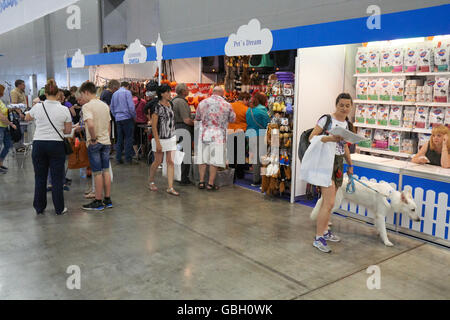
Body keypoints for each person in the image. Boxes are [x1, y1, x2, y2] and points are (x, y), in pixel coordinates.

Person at [307, 93, 354, 253]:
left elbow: (345, 145)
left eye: (347, 105)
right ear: (336, 104)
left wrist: (350, 164)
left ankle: (325, 231)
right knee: (328, 203)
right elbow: (312, 137)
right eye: (341, 105)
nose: (344, 108)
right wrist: (329, 139)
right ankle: (318, 237)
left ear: (351, 107)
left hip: (338, 163)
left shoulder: (347, 123)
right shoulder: (326, 119)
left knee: (331, 203)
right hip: (325, 162)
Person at [25, 79, 72, 215]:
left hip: (39, 144)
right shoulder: (64, 109)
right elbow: (68, 131)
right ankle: (59, 208)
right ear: (58, 94)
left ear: (44, 93)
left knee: (40, 177)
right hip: (56, 144)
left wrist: (35, 106)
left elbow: (27, 118)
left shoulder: (38, 107)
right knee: (57, 178)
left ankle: (39, 208)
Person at [79, 81, 113, 211]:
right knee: (106, 171)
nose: (82, 97)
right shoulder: (104, 105)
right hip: (106, 141)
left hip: (95, 142)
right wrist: (107, 137)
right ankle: (107, 199)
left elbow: (91, 125)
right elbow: (109, 124)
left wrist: (93, 138)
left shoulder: (87, 107)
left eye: (82, 94)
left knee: (97, 172)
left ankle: (98, 200)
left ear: (87, 92)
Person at [195, 86, 236, 191]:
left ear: (212, 92)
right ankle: (210, 184)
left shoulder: (202, 103)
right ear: (222, 93)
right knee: (214, 160)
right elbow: (232, 119)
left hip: (204, 134)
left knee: (203, 159)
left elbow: (197, 117)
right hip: (219, 135)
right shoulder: (227, 105)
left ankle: (201, 182)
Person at [147, 84, 179, 196]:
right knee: (158, 161)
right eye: (167, 92)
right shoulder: (157, 107)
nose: (170, 94)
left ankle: (170, 187)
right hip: (160, 138)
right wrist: (157, 142)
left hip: (171, 137)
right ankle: (151, 180)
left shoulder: (171, 104)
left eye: (169, 91)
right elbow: (154, 126)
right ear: (162, 94)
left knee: (170, 161)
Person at [245, 92, 270, 186]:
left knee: (254, 158)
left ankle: (256, 179)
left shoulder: (249, 110)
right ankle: (263, 180)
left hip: (250, 134)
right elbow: (267, 123)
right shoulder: (262, 110)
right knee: (263, 158)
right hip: (260, 135)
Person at [110, 81, 136, 165]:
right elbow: (131, 106)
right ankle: (128, 159)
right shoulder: (127, 93)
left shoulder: (114, 94)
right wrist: (134, 116)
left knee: (119, 139)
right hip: (127, 118)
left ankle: (118, 158)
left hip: (118, 118)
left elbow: (112, 107)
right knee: (128, 138)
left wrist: (116, 115)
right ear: (127, 86)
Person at [173, 83, 194, 185]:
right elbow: (186, 120)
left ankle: (178, 176)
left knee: (179, 153)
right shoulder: (181, 102)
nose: (189, 90)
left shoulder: (174, 101)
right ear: (183, 91)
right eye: (187, 89)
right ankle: (183, 178)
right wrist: (195, 123)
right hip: (183, 129)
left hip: (176, 128)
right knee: (185, 154)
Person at [229, 92, 250, 180]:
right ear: (245, 99)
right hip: (241, 132)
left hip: (230, 131)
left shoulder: (230, 105)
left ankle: (231, 175)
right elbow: (248, 121)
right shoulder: (247, 109)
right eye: (247, 100)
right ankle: (240, 174)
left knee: (231, 155)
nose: (248, 102)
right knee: (240, 155)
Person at [0, 84, 16, 174]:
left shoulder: (1, 101)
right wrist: (11, 124)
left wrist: (10, 110)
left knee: (8, 145)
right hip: (1, 127)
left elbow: (4, 112)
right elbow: (1, 117)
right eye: (4, 90)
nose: (5, 92)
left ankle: (0, 163)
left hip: (4, 127)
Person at [132, 91, 148, 159]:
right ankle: (143, 153)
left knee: (135, 138)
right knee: (142, 138)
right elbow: (146, 112)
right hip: (143, 122)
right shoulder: (143, 101)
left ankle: (136, 154)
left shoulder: (131, 101)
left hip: (134, 122)